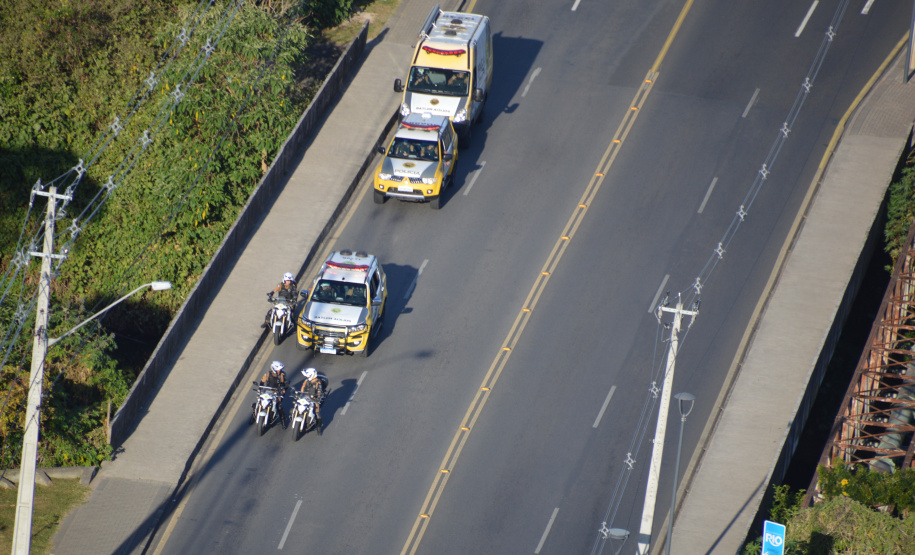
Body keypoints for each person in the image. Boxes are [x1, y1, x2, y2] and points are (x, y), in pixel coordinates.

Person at [259, 360, 288, 428]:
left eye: (280, 369)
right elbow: (262, 382)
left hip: (277, 393)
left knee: (279, 406)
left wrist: (283, 389)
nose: (279, 370)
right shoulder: (267, 374)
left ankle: (283, 421)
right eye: (278, 369)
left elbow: (285, 384)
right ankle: (254, 414)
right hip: (267, 392)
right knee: (259, 401)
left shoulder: (282, 375)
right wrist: (260, 389)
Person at [300, 367, 329, 435]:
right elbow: (303, 387)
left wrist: (318, 398)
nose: (307, 377)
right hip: (305, 397)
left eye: (308, 375)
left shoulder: (318, 382)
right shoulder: (306, 380)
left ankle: (319, 428)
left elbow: (319, 391)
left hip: (314, 399)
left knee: (317, 414)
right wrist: (301, 394)